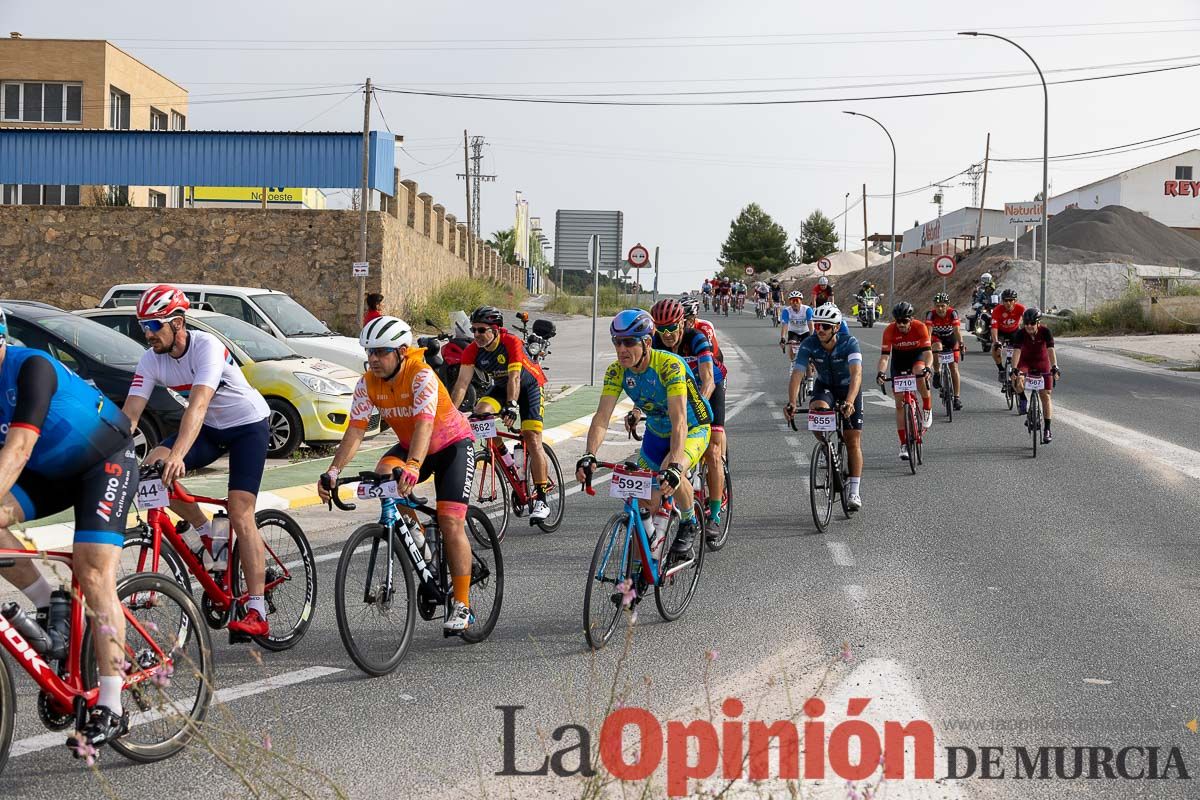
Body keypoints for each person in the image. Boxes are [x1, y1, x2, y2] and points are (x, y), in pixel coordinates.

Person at [0, 307, 138, 750]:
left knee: (93, 570)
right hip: (48, 473)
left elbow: (18, 449)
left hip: (103, 459)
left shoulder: (31, 368)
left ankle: (113, 703)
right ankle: (49, 604)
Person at [122, 285, 273, 638]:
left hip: (247, 425)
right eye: (143, 325)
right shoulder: (150, 358)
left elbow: (198, 405)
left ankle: (257, 609)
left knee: (239, 510)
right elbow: (130, 415)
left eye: (155, 325)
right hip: (210, 428)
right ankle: (209, 534)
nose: (148, 333)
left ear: (177, 323)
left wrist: (178, 455)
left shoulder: (207, 347)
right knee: (151, 473)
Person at [318, 316, 478, 630]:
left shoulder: (421, 375)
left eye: (381, 352)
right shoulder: (367, 383)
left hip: (451, 445)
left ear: (402, 351)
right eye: (369, 353)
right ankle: (417, 535)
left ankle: (462, 604)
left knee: (449, 520)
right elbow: (355, 432)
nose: (373, 359)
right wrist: (333, 471)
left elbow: (425, 425)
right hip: (412, 446)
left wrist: (414, 467)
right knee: (383, 473)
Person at [576, 310, 711, 560]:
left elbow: (679, 420)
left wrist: (673, 465)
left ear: (647, 342)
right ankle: (635, 578)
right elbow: (602, 417)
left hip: (692, 428)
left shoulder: (669, 365)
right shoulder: (617, 372)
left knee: (672, 470)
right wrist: (589, 454)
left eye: (629, 342)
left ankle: (689, 522)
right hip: (657, 431)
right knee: (641, 501)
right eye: (617, 341)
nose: (621, 348)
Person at [451, 306, 551, 521]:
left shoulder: (510, 342)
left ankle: (542, 499)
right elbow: (461, 385)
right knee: (479, 413)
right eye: (474, 329)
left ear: (495, 330)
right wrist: (449, 414)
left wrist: (512, 405)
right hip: (501, 387)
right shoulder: (472, 350)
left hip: (529, 387)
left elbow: (515, 377)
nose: (476, 334)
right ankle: (506, 457)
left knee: (532, 438)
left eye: (481, 330)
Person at [649, 299, 727, 534]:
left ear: (682, 323)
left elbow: (708, 379)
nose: (667, 334)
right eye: (661, 329)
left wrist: (696, 412)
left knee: (713, 450)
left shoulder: (696, 338)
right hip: (678, 391)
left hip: (708, 390)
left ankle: (714, 514)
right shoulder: (654, 343)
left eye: (671, 328)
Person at [782, 304, 864, 509]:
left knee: (852, 440)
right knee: (817, 412)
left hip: (848, 389)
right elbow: (798, 373)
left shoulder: (850, 343)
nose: (819, 330)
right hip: (825, 386)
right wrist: (792, 402)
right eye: (818, 325)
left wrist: (851, 402)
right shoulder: (809, 344)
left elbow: (857, 375)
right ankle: (827, 449)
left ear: (836, 328)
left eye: (825, 327)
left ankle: (854, 491)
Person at [876, 302, 933, 460]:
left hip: (917, 356)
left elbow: (928, 353)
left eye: (905, 321)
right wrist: (881, 372)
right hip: (899, 360)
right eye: (898, 321)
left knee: (919, 372)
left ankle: (927, 408)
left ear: (911, 319)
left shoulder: (919, 327)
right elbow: (885, 357)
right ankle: (903, 444)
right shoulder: (889, 330)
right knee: (899, 403)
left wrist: (928, 367)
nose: (901, 324)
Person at [1010, 307, 1061, 444]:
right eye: (1026, 323)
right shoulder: (1021, 333)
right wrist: (1014, 369)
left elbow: (1050, 350)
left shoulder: (1045, 332)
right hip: (1025, 362)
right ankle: (1022, 399)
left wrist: (1054, 366)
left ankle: (1047, 429)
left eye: (1032, 323)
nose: (1029, 326)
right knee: (1017, 380)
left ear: (1038, 323)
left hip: (1042, 363)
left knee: (1046, 395)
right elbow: (1017, 351)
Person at [926, 292, 965, 411]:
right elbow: (928, 333)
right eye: (937, 306)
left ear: (948, 305)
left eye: (943, 305)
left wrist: (961, 343)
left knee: (954, 368)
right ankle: (937, 372)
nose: (940, 308)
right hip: (937, 337)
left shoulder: (952, 313)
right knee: (936, 347)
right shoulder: (930, 315)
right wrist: (926, 347)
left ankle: (957, 398)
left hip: (951, 338)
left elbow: (957, 330)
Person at [990, 288, 1026, 381]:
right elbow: (994, 328)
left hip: (1014, 331)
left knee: (1021, 348)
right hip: (1001, 332)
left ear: (1015, 301)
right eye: (1006, 300)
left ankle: (1018, 368)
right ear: (1002, 301)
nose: (1008, 303)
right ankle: (1001, 370)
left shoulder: (1020, 308)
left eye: (1011, 300)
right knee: (995, 348)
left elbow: (1028, 322)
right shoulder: (997, 310)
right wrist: (996, 341)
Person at [779, 290, 814, 357]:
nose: (795, 303)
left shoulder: (807, 309)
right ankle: (792, 363)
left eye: (797, 301)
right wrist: (783, 338)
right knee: (792, 346)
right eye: (792, 301)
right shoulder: (786, 311)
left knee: (809, 350)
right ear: (790, 302)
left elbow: (811, 324)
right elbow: (785, 325)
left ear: (801, 301)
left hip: (805, 331)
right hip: (793, 332)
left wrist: (812, 336)